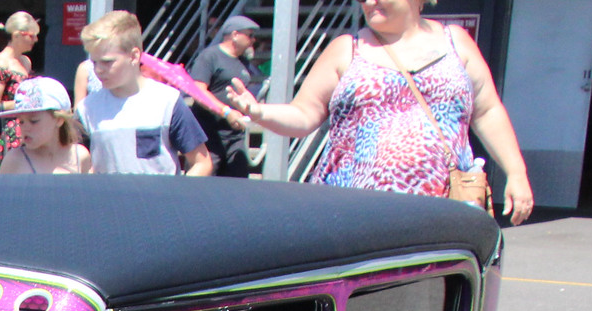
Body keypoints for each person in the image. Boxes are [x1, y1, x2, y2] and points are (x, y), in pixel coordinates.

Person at [223, 0, 533, 223]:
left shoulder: (457, 43)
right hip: (355, 216)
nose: (368, 2)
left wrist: (516, 173)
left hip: (442, 214)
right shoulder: (348, 48)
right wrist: (260, 112)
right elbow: (304, 115)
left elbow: (488, 111)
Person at [76, 11, 211, 175]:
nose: (98, 70)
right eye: (94, 62)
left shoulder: (167, 101)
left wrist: (175, 198)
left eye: (107, 62)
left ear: (134, 56)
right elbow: (74, 163)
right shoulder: (87, 109)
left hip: (159, 199)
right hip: (108, 199)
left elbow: (202, 162)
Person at [188, 14, 260, 178]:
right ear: (235, 35)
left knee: (238, 185)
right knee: (203, 188)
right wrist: (226, 112)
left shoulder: (244, 63)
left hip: (235, 136)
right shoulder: (210, 56)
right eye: (249, 35)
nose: (253, 40)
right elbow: (198, 91)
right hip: (209, 135)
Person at [0, 77, 90, 175]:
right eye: (21, 121)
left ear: (59, 120)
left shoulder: (79, 156)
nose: (25, 128)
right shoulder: (14, 160)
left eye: (34, 121)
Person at [0, 9, 38, 174]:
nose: (35, 40)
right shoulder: (1, 62)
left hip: (26, 129)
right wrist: (23, 102)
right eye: (32, 35)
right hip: (7, 133)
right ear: (18, 35)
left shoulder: (25, 61)